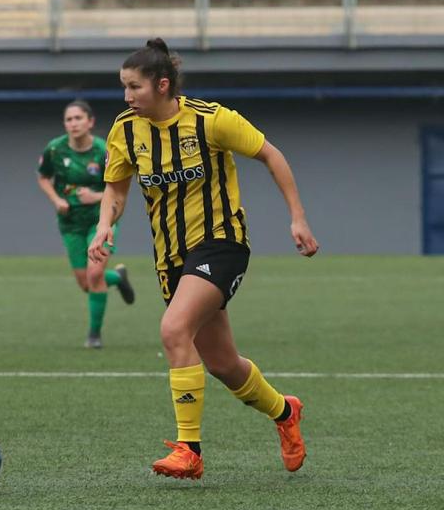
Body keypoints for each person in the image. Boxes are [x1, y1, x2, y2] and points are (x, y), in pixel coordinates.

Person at [89, 38, 319, 479]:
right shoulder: (125, 129)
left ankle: (189, 450)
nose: (126, 96)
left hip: (222, 243)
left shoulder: (212, 121)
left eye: (134, 87)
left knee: (174, 329)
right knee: (222, 364)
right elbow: (116, 189)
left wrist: (298, 218)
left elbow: (272, 156)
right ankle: (285, 412)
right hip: (171, 258)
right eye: (123, 87)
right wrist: (106, 224)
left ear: (162, 85)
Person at [37, 99, 135, 348]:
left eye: (78, 118)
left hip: (100, 220)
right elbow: (43, 177)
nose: (73, 123)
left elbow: (120, 188)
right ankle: (118, 278)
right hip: (71, 223)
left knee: (94, 274)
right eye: (69, 119)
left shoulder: (104, 151)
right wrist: (56, 199)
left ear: (90, 122)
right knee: (85, 282)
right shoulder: (55, 150)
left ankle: (94, 335)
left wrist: (97, 196)